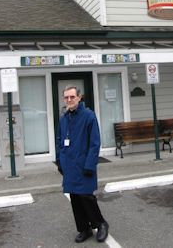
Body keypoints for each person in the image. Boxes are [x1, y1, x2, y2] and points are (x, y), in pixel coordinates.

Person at [56, 85, 109, 243]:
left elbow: (95, 143)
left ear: (79, 97)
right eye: (66, 97)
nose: (69, 100)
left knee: (86, 197)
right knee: (75, 198)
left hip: (84, 165)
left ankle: (101, 224)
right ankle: (84, 229)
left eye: (72, 97)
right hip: (69, 166)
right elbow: (59, 140)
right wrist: (59, 160)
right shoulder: (64, 118)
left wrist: (89, 165)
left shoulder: (88, 116)